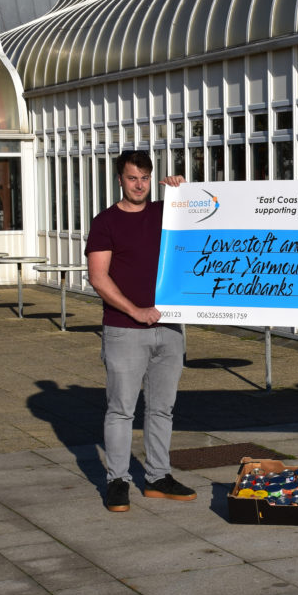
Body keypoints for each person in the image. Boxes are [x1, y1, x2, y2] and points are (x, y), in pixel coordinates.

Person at [85, 151, 195, 512]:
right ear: (120, 179)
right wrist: (136, 311)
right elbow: (98, 277)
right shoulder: (105, 222)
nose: (139, 185)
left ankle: (158, 476)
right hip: (124, 329)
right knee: (121, 410)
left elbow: (209, 221)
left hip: (170, 327)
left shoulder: (167, 212)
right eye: (133, 178)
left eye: (145, 178)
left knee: (163, 409)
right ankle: (117, 480)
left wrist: (183, 191)